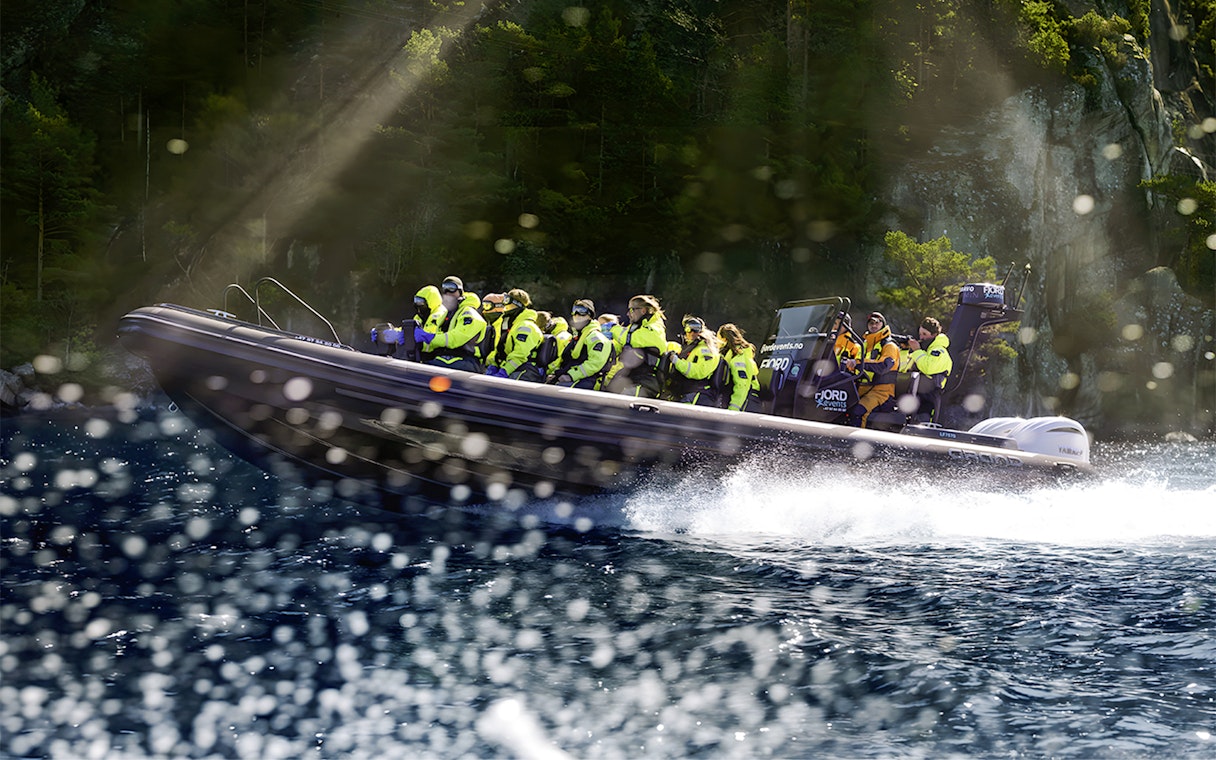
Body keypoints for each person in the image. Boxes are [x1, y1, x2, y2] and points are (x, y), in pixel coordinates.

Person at [413, 276, 486, 373]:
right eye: (445, 289)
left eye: (452, 289)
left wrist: (429, 337)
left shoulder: (469, 313)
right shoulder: (446, 313)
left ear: (460, 292)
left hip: (466, 359)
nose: (448, 292)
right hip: (447, 357)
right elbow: (437, 337)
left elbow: (455, 339)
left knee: (427, 371)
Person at [603, 295, 667, 398]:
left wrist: (612, 329)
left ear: (643, 310)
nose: (628, 314)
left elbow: (630, 338)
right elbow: (620, 346)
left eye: (631, 310)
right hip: (628, 380)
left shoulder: (655, 329)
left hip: (644, 384)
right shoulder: (635, 328)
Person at [845, 311, 900, 427]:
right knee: (840, 405)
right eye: (871, 323)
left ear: (883, 325)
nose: (873, 325)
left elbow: (883, 366)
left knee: (858, 412)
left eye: (877, 323)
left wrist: (858, 363)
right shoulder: (865, 345)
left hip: (882, 392)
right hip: (864, 388)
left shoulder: (890, 346)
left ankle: (856, 443)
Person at [550, 299, 615, 389]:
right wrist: (556, 374)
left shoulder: (596, 337)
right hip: (572, 377)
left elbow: (594, 364)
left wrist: (571, 376)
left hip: (587, 381)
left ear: (590, 315)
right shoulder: (578, 336)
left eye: (582, 311)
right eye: (574, 311)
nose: (577, 315)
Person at [488, 288, 546, 382]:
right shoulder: (508, 324)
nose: (504, 304)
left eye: (507, 300)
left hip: (525, 370)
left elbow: (520, 355)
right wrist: (494, 365)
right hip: (508, 367)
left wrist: (504, 372)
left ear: (516, 304)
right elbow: (498, 349)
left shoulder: (526, 327)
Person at [664, 315, 722, 406]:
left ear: (701, 331)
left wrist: (677, 362)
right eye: (688, 329)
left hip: (695, 394)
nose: (692, 332)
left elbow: (700, 371)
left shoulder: (705, 350)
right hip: (681, 392)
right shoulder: (685, 348)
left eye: (696, 329)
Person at [905, 316, 953, 423]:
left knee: (922, 425)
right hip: (914, 395)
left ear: (934, 335)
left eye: (925, 334)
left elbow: (928, 368)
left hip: (928, 399)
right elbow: (905, 369)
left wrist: (917, 350)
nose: (921, 337)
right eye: (920, 334)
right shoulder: (924, 351)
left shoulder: (939, 351)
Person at [717, 323, 760, 412]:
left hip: (746, 401)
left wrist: (734, 408)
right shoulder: (733, 355)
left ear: (724, 340)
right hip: (745, 399)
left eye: (718, 339)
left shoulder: (738, 357)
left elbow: (742, 385)